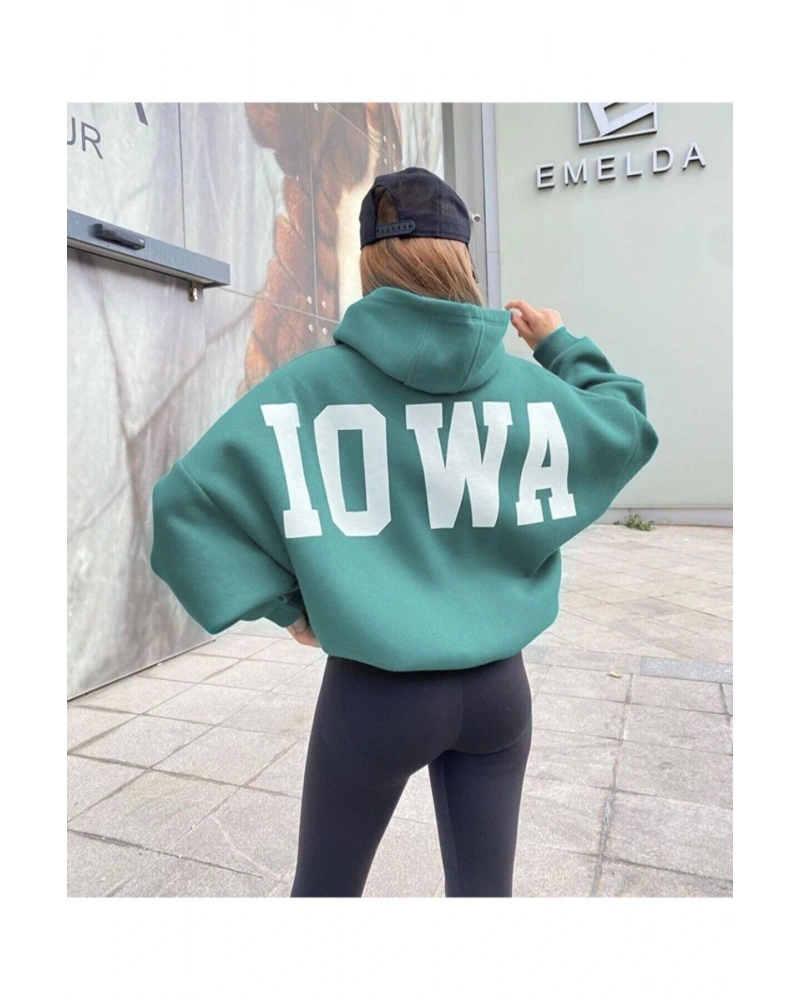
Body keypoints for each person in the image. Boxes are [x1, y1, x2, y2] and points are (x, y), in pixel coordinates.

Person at [149, 166, 658, 897]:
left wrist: (290, 607)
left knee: (325, 895)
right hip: (499, 690)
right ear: (462, 262)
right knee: (485, 900)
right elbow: (624, 423)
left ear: (370, 265)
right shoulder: (528, 392)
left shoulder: (308, 389)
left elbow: (186, 507)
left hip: (375, 698)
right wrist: (560, 345)